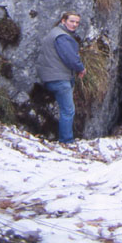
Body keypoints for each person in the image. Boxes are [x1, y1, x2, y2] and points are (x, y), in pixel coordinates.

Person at [37, 11, 86, 144]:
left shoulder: (55, 32)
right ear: (63, 21)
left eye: (77, 22)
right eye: (72, 21)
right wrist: (81, 68)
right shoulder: (62, 37)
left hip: (52, 76)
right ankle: (66, 140)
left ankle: (62, 138)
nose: (75, 24)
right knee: (68, 111)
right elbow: (70, 57)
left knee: (64, 109)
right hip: (59, 78)